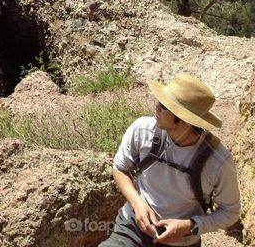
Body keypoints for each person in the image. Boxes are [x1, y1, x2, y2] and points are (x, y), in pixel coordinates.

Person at [98, 74, 241, 246]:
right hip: (132, 229)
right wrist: (137, 204)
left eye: (164, 106)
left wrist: (190, 226)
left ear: (185, 120)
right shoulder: (142, 129)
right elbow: (120, 168)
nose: (156, 107)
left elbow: (230, 211)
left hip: (182, 241)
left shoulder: (219, 160)